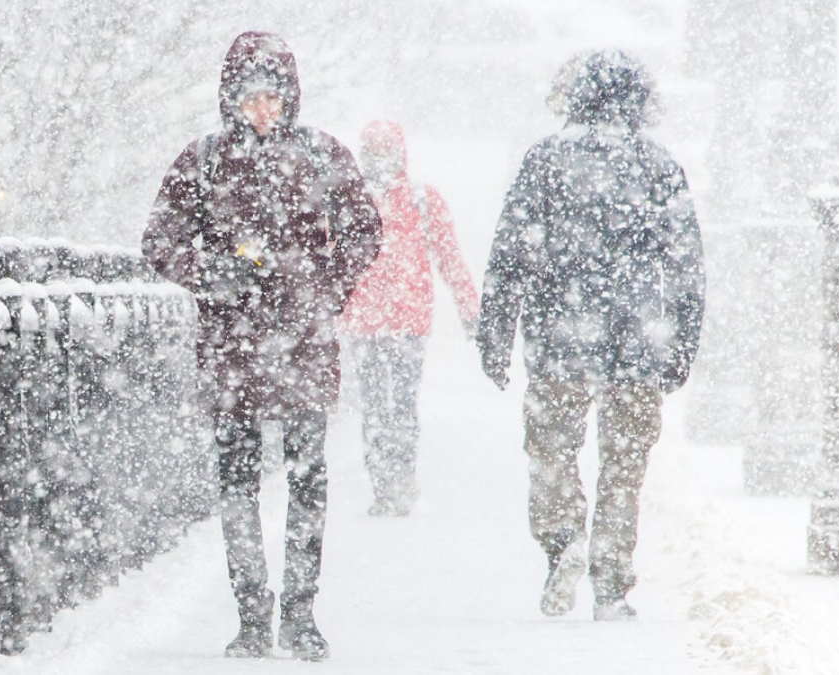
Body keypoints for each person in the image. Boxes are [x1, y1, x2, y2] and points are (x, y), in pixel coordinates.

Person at [141, 31, 381, 660]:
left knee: (308, 482)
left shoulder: (323, 154)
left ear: (290, 97)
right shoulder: (204, 161)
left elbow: (364, 231)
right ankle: (252, 615)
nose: (262, 109)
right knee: (237, 484)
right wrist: (212, 276)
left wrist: (326, 288)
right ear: (230, 99)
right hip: (233, 349)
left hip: (300, 344)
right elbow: (160, 239)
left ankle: (300, 614)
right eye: (250, 97)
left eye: (272, 97)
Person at [476, 50, 705, 621]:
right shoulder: (658, 166)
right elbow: (685, 265)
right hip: (636, 339)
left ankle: (562, 543)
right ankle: (611, 580)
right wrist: (680, 343)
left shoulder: (546, 160)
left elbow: (512, 253)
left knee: (552, 453)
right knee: (624, 465)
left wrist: (496, 331)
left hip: (559, 334)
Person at [341, 120, 479, 517]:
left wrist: (470, 311)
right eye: (375, 150)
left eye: (385, 151)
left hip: (392, 321)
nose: (380, 158)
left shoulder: (415, 199)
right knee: (383, 405)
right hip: (382, 319)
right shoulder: (356, 199)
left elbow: (449, 257)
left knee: (392, 405)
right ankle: (390, 483)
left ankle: (394, 481)